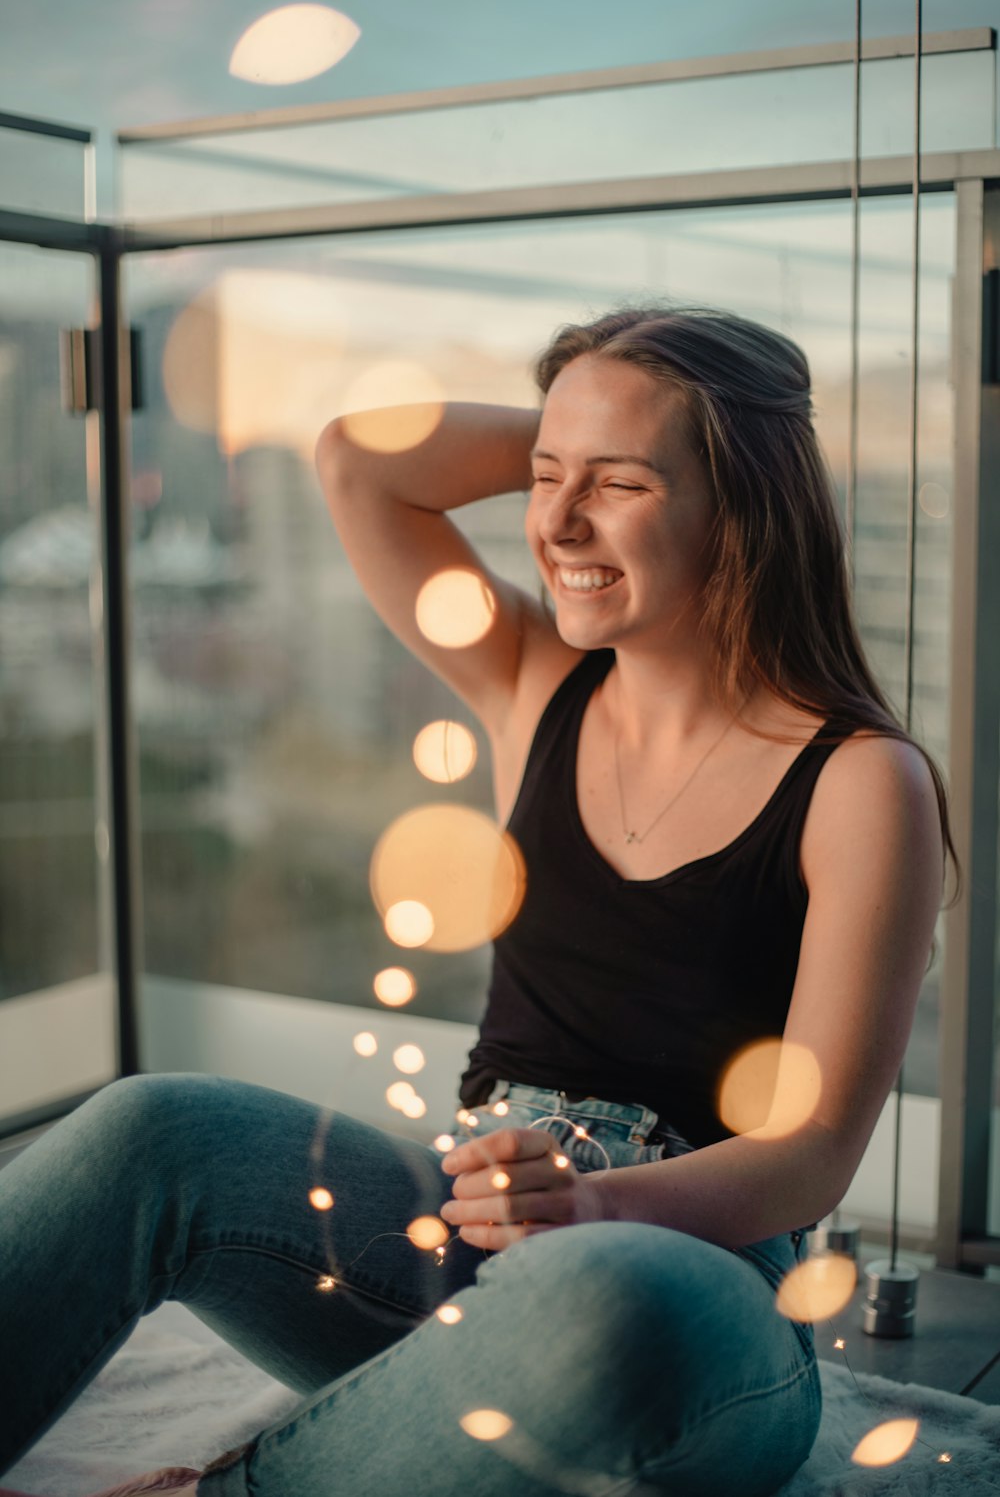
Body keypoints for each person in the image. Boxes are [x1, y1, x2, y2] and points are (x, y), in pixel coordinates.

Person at [0, 305, 948, 1497]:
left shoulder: (860, 780)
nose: (553, 522)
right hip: (460, 1248)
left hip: (688, 1303)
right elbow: (360, 460)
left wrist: (592, 1201)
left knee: (606, 1292)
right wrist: (595, 433)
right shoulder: (531, 679)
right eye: (545, 477)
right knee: (149, 1129)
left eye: (618, 485)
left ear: (745, 500)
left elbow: (810, 1152)